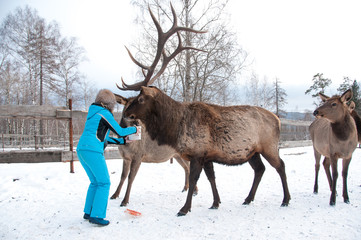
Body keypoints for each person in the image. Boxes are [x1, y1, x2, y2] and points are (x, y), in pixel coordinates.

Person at [76, 89, 137, 226]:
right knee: (104, 183)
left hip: (82, 149)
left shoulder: (92, 113)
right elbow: (120, 131)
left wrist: (123, 141)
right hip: (92, 150)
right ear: (108, 104)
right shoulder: (104, 113)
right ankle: (97, 215)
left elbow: (103, 137)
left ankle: (89, 212)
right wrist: (135, 129)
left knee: (95, 182)